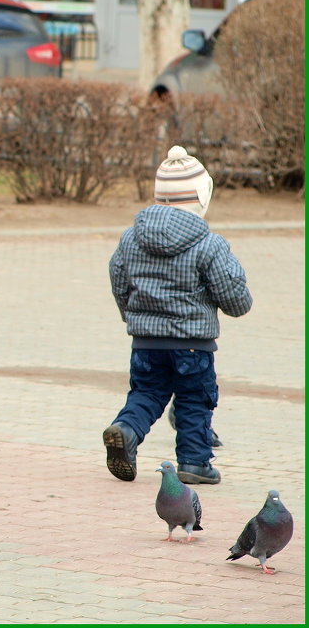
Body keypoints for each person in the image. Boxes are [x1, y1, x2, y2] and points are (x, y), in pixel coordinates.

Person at [103, 146, 252, 486]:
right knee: (194, 400)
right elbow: (235, 301)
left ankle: (125, 430)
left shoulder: (130, 238)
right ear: (203, 196)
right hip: (192, 345)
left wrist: (133, 316)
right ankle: (195, 463)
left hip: (145, 343)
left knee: (147, 393)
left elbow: (118, 279)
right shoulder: (210, 244)